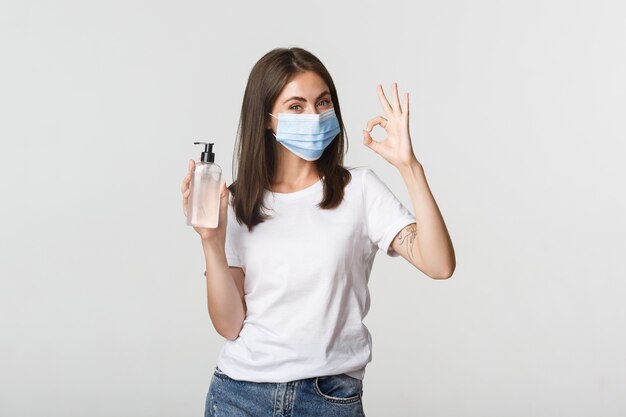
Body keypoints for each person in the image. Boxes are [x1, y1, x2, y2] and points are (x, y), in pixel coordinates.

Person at [181, 47, 455, 417]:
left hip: (329, 399)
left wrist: (409, 166)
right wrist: (211, 242)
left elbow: (439, 264)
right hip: (239, 396)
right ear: (267, 118)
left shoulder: (359, 189)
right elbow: (230, 326)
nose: (313, 115)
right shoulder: (236, 202)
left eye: (322, 102)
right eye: (296, 106)